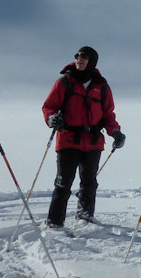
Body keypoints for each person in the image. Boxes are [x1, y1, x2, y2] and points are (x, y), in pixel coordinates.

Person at [41, 45, 124, 227]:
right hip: (68, 139)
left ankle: (85, 217)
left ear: (92, 61)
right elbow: (49, 107)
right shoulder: (64, 82)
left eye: (84, 56)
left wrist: (115, 132)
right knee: (63, 183)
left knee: (89, 183)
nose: (80, 58)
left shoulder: (102, 86)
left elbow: (108, 115)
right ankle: (54, 222)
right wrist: (52, 118)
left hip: (93, 142)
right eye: (78, 55)